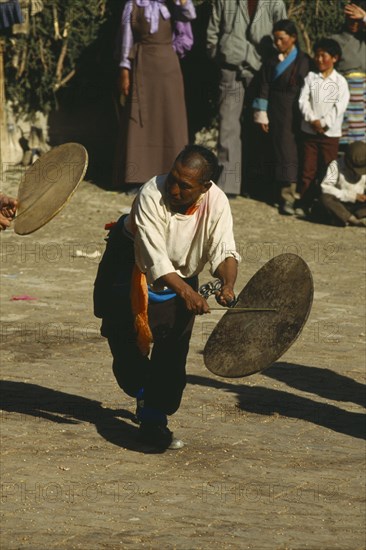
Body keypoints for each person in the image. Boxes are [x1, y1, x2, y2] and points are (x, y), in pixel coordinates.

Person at [94, 145, 241, 450]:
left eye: (184, 185)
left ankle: (153, 419)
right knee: (127, 358)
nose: (174, 188)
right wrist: (187, 292)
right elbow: (154, 257)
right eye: (173, 177)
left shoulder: (217, 202)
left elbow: (225, 249)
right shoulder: (151, 192)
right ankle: (142, 388)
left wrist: (227, 285)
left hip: (182, 277)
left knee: (172, 356)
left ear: (205, 187)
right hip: (129, 266)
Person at [112, 0, 196, 191]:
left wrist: (169, 51)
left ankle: (172, 176)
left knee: (170, 119)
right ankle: (137, 178)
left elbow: (188, 18)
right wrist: (125, 70)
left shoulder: (173, 5)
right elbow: (126, 40)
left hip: (168, 69)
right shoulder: (133, 5)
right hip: (142, 66)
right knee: (140, 121)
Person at [206, 0, 287, 197]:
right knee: (228, 125)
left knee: (259, 126)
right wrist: (221, 56)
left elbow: (283, 31)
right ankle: (229, 184)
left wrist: (275, 64)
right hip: (231, 68)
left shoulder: (274, 2)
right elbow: (212, 32)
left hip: (262, 70)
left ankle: (255, 183)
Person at [253, 19, 310, 215]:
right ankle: (277, 194)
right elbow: (263, 86)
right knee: (276, 151)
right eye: (275, 39)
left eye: (282, 39)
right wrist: (262, 114)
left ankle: (291, 196)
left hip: (296, 110)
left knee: (291, 152)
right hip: (275, 112)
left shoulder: (304, 60)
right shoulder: (271, 61)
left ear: (293, 38)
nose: (278, 43)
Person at [298, 38, 350, 213]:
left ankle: (326, 205)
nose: (319, 59)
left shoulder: (340, 82)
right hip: (310, 133)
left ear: (334, 58)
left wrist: (325, 123)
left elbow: (340, 106)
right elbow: (303, 100)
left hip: (330, 135)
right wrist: (312, 120)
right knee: (308, 169)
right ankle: (305, 203)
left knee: (328, 170)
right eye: (317, 55)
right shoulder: (311, 77)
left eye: (323, 56)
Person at [330, 0, 366, 148]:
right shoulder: (335, 40)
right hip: (344, 95)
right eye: (350, 19)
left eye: (357, 20)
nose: (353, 23)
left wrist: (365, 17)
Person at [318, 141, 366, 227]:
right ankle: (352, 219)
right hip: (340, 204)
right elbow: (326, 188)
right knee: (325, 199)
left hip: (358, 205)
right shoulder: (335, 165)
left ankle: (349, 217)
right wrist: (352, 196)